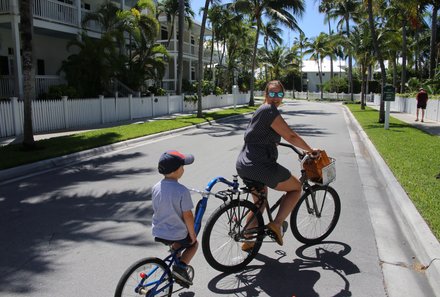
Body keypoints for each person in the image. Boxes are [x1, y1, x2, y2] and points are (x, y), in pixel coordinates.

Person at [236, 80, 318, 249]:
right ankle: (277, 224)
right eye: (272, 94)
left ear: (283, 96)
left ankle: (248, 239)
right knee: (295, 188)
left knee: (260, 202)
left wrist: (274, 143)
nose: (275, 98)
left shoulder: (260, 110)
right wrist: (310, 150)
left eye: (279, 94)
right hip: (260, 165)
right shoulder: (269, 110)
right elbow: (291, 136)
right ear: (266, 95)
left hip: (245, 164)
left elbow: (260, 135)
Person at [152, 150, 198, 286]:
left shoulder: (156, 187)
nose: (183, 169)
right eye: (182, 167)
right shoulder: (181, 190)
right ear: (176, 171)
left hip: (158, 230)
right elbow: (188, 215)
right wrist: (192, 234)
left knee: (176, 243)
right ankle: (181, 267)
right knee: (193, 244)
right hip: (176, 233)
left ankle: (175, 256)